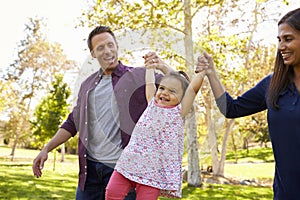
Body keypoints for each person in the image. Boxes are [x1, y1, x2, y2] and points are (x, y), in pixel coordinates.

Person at [32, 26, 173, 200]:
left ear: (117, 46)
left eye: (110, 45)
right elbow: (72, 122)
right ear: (93, 54)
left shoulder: (139, 76)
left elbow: (181, 86)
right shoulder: (87, 85)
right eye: (100, 48)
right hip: (89, 173)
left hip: (124, 171)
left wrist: (163, 66)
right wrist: (46, 148)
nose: (107, 51)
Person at [196, 8, 300, 200]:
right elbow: (231, 108)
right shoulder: (273, 85)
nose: (281, 47)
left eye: (288, 39)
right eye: (279, 40)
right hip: (286, 194)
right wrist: (211, 73)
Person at [105, 57, 205, 200]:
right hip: (130, 161)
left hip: (153, 172)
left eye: (172, 91)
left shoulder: (178, 113)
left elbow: (193, 90)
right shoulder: (151, 102)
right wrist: (150, 66)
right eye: (162, 88)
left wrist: (202, 73)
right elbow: (150, 82)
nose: (164, 93)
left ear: (182, 97)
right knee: (112, 192)